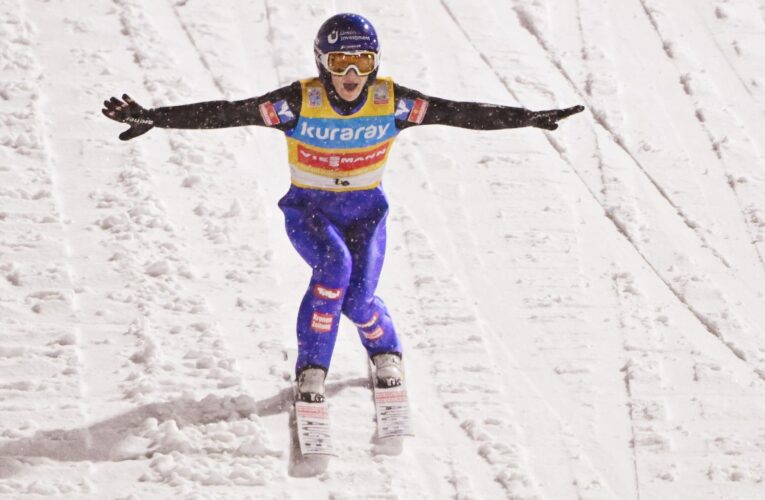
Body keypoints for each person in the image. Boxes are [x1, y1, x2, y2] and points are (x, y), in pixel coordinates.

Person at [102, 13, 584, 403]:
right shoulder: (297, 103)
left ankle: (384, 351)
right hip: (310, 212)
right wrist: (157, 119)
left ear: (375, 63)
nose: (351, 76)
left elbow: (460, 113)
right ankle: (312, 370)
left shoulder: (392, 103)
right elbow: (229, 111)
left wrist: (526, 119)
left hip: (366, 214)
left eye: (361, 62)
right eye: (339, 62)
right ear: (321, 62)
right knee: (333, 271)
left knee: (357, 299)